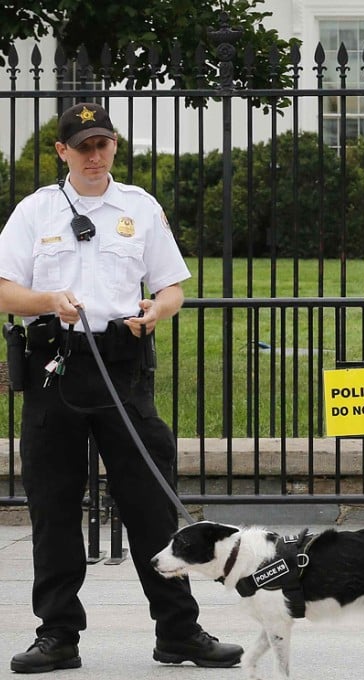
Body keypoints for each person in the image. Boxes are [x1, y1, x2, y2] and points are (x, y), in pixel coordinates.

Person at [0, 103, 242, 673]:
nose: (93, 155)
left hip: (123, 366)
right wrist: (46, 302)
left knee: (151, 507)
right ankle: (57, 636)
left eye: (102, 143)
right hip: (54, 367)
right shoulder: (35, 212)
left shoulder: (139, 207)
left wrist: (157, 310)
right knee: (54, 509)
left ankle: (179, 633)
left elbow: (172, 286)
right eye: (81, 145)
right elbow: (5, 289)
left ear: (114, 147)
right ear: (61, 152)